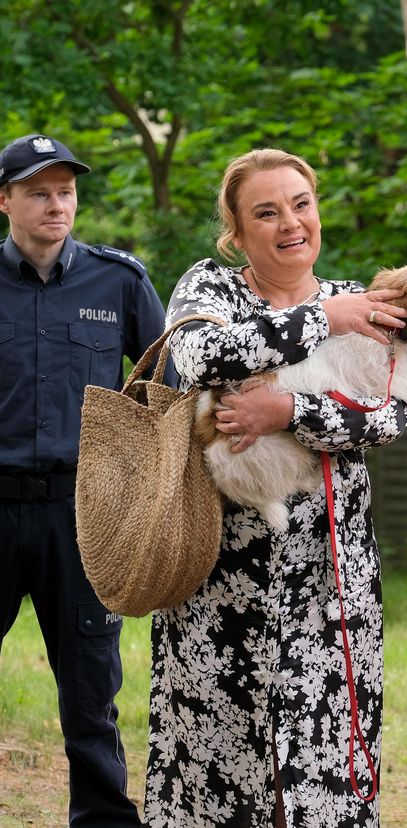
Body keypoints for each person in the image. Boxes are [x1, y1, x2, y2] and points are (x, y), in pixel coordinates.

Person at [143, 148, 407, 827]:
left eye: (301, 204)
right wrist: (326, 321)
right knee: (220, 765)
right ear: (236, 233)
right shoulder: (211, 288)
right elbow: (200, 356)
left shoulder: (353, 298)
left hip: (332, 581)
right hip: (221, 578)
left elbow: (390, 414)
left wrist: (287, 411)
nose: (291, 222)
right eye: (266, 212)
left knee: (326, 766)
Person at [0, 133, 166, 827]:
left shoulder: (117, 281)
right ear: (4, 200)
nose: (56, 204)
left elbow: (167, 386)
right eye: (38, 192)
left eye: (65, 192)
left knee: (92, 691)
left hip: (83, 515)